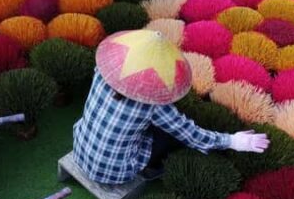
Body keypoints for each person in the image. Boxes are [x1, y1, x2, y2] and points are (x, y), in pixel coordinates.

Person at [73, 30, 270, 185]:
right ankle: (152, 167)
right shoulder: (153, 106)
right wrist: (233, 141)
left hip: (81, 149)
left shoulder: (102, 72)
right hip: (114, 172)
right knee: (168, 133)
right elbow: (191, 134)